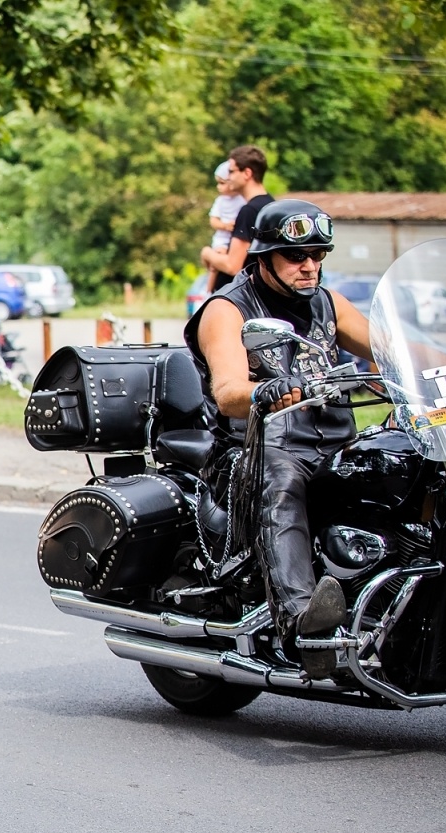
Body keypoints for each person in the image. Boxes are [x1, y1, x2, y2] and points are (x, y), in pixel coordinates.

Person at [184, 200, 371, 679]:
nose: (310, 265)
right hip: (259, 448)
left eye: (318, 254)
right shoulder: (228, 310)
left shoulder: (328, 303)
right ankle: (304, 624)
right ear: (263, 258)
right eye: (296, 256)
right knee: (281, 480)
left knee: (404, 464)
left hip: (333, 446)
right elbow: (227, 393)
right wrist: (265, 390)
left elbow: (392, 347)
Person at [201, 145, 272, 292]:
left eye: (231, 171)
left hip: (238, 299)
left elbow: (232, 266)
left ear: (247, 173)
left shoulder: (249, 211)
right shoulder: (271, 205)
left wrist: (207, 253)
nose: (228, 177)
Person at [207, 160, 244, 276]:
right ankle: (208, 290)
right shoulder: (220, 201)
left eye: (222, 183)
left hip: (236, 240)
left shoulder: (243, 199)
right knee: (217, 261)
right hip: (222, 239)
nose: (219, 187)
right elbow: (213, 220)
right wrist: (224, 226)